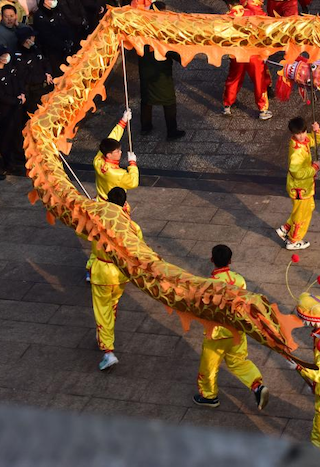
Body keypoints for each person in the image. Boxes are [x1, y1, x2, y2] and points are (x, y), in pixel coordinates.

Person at [193, 244, 270, 411]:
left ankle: (209, 396)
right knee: (238, 361)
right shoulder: (239, 280)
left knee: (209, 366)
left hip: (216, 334)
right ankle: (256, 385)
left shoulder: (209, 284)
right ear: (230, 260)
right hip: (237, 329)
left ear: (212, 260)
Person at [88, 186, 142, 371]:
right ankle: (104, 336)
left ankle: (108, 350)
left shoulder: (97, 221)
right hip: (120, 274)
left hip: (102, 271)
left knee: (102, 310)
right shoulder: (132, 225)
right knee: (112, 304)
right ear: (125, 203)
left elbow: (80, 230)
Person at [84, 109, 137, 282]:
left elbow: (111, 140)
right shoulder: (115, 173)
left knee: (97, 241)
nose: (119, 153)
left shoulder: (98, 161)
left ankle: (90, 269)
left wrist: (122, 122)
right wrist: (133, 164)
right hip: (115, 208)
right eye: (117, 152)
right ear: (109, 155)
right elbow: (132, 182)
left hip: (99, 203)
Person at [137, 1, 184, 140]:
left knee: (146, 98)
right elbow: (169, 50)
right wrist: (182, 58)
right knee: (168, 100)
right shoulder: (162, 30)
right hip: (160, 71)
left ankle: (145, 127)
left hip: (145, 68)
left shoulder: (142, 26)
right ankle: (172, 131)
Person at [276, 116, 320, 251]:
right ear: (293, 134)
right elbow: (297, 173)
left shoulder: (302, 140)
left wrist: (317, 131)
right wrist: (314, 168)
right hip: (300, 188)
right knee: (303, 215)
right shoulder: (296, 152)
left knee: (306, 208)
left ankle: (286, 228)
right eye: (298, 134)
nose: (302, 136)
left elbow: (313, 140)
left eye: (303, 132)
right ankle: (293, 240)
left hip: (304, 187)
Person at [221, 0, 272, 120]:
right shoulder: (250, 12)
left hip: (236, 54)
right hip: (253, 53)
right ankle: (262, 110)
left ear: (228, 5)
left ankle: (227, 105)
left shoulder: (225, 17)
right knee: (259, 81)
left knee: (234, 78)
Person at [0, 44, 24, 174]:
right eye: (3, 55)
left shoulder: (9, 68)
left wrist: (21, 93)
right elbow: (0, 96)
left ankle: (19, 156)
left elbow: (17, 81)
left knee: (17, 133)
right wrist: (16, 100)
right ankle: (8, 163)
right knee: (6, 137)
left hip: (16, 107)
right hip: (5, 111)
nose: (6, 57)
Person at [14, 26, 52, 114]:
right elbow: (26, 77)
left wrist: (48, 73)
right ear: (27, 40)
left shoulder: (35, 48)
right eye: (32, 36)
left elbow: (45, 61)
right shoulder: (19, 57)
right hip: (33, 93)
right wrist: (43, 77)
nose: (34, 38)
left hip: (46, 86)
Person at [32, 0, 74, 77]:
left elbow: (65, 24)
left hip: (66, 46)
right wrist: (63, 46)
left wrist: (70, 39)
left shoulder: (57, 9)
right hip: (54, 53)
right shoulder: (39, 17)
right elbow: (48, 38)